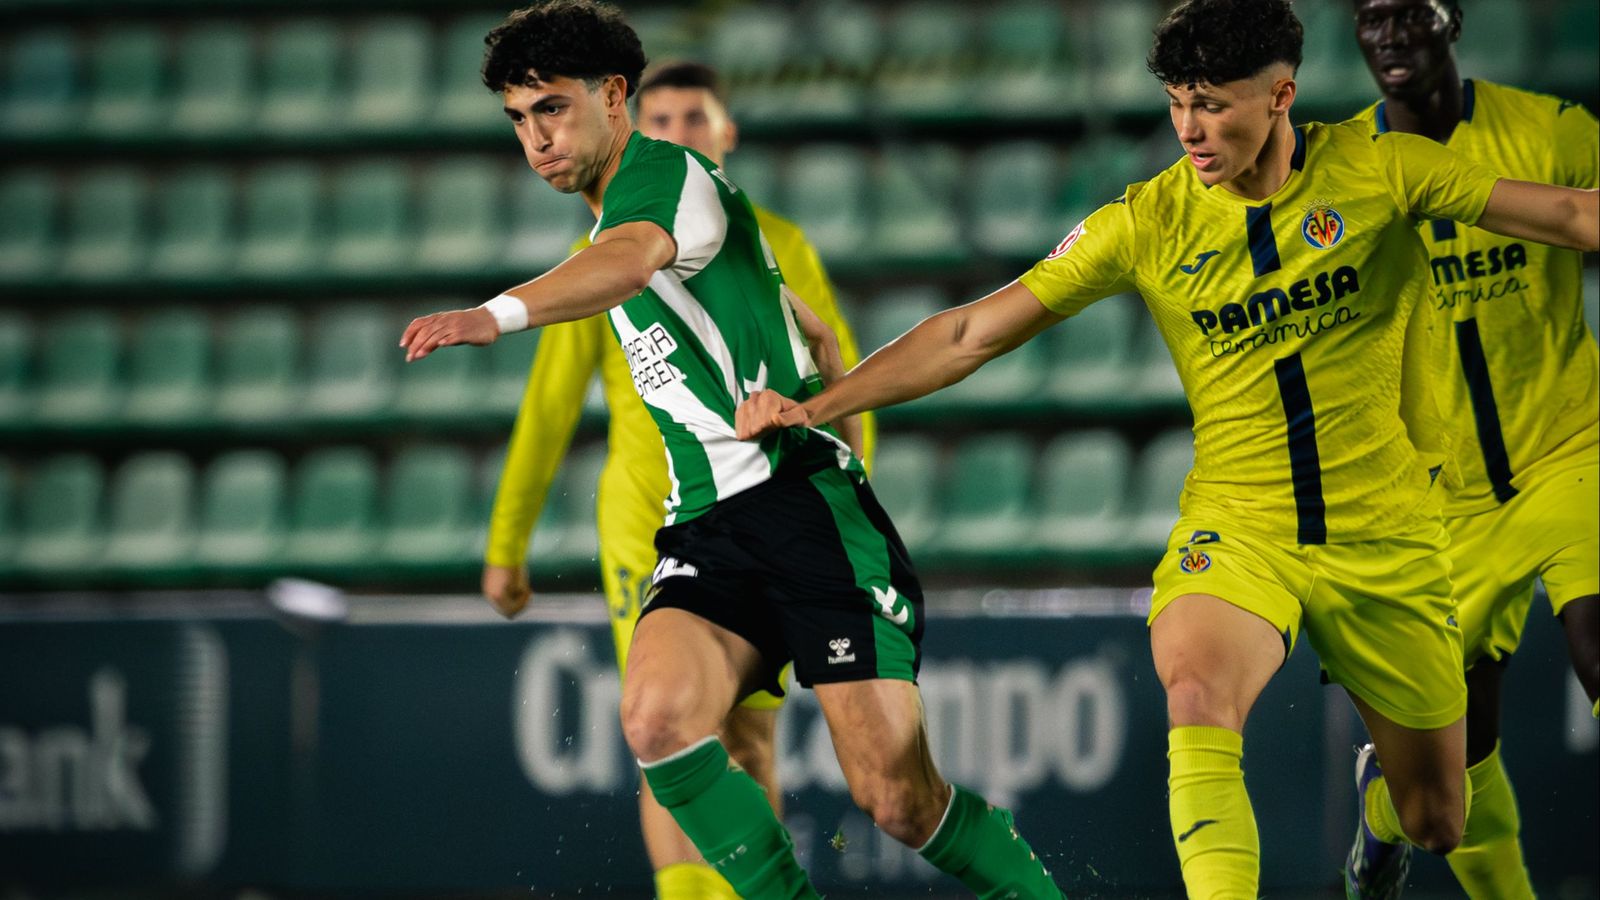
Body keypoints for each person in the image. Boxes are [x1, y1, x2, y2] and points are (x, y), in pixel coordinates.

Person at [735, 0, 1600, 896]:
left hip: (1388, 532)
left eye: (1213, 104)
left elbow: (1574, 218)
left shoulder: (1384, 170)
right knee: (1195, 692)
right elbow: (968, 336)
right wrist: (819, 405)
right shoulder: (1147, 222)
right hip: (1240, 526)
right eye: (1177, 101)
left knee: (1436, 816)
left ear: (1280, 96)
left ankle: (1379, 818)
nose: (1189, 127)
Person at [401, 2, 1067, 897]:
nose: (536, 139)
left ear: (612, 95)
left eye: (552, 109)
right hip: (708, 523)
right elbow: (815, 332)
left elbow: (635, 261)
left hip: (806, 511)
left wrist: (493, 314)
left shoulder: (663, 184)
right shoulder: (636, 224)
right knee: (655, 719)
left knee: (897, 801)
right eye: (519, 119)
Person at [480, 58, 872, 900]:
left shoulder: (777, 240)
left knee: (753, 744)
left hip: (771, 513)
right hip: (649, 524)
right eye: (660, 120)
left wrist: (854, 498)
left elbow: (838, 381)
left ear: (726, 133)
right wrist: (506, 543)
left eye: (695, 119)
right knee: (675, 734)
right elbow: (549, 408)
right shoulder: (600, 253)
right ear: (629, 125)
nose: (677, 134)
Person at [1344, 0, 1600, 895]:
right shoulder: (1345, 171)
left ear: (1451, 20)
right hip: (1440, 502)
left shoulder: (1552, 133)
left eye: (1406, 12)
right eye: (1366, 16)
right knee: (1445, 798)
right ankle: (1381, 817)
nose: (1386, 34)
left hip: (1572, 452)